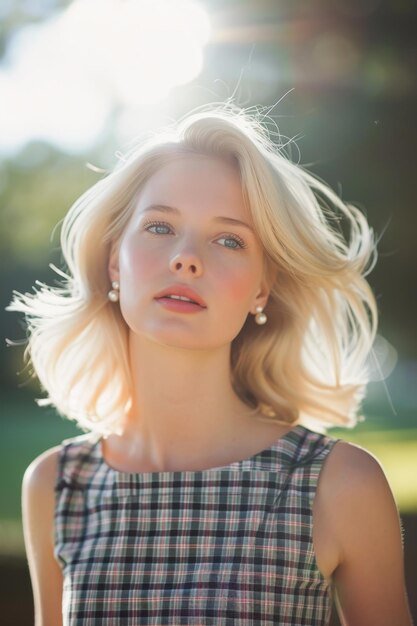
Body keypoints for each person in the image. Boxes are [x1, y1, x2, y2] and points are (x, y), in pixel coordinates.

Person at [7, 102, 412, 625]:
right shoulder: (57, 485)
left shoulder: (340, 485)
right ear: (115, 261)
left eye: (229, 239)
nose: (186, 257)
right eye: (159, 227)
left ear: (261, 289)